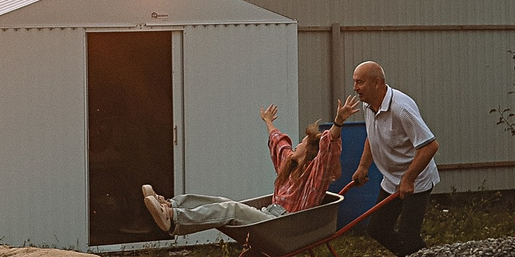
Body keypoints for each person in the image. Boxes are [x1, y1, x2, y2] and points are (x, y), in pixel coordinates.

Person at [140, 99, 360, 235]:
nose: (297, 144)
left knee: (231, 209)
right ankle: (170, 205)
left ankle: (174, 219)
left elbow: (328, 150)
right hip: (269, 216)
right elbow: (279, 143)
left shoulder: (314, 175)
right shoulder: (291, 165)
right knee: (221, 201)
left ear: (310, 152)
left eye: (301, 143)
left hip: (284, 225)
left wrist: (338, 123)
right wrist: (268, 121)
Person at [351, 60, 437, 257]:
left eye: (360, 82)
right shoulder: (368, 105)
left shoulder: (401, 108)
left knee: (409, 238)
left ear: (377, 83)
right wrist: (363, 166)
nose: (355, 88)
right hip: (392, 180)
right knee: (377, 229)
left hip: (416, 180)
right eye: (355, 82)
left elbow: (430, 146)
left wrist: (409, 179)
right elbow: (372, 136)